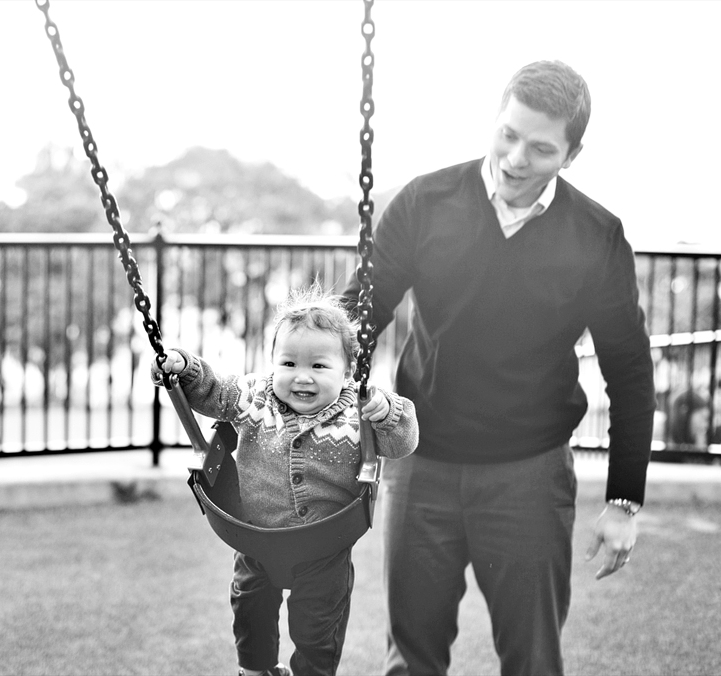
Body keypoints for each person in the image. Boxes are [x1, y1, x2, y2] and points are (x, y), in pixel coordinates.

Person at [342, 60, 656, 676]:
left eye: (541, 148)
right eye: (508, 134)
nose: (516, 157)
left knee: (533, 658)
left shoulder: (597, 235)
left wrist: (624, 499)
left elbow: (630, 372)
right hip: (419, 465)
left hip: (529, 475)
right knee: (411, 659)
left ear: (572, 154)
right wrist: (303, 387)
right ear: (495, 120)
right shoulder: (426, 202)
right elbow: (360, 313)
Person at [151, 285, 419, 676]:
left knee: (316, 631)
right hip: (256, 537)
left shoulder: (358, 410)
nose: (301, 378)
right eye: (289, 363)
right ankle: (257, 670)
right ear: (273, 363)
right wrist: (184, 369)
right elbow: (213, 391)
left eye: (319, 366)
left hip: (324, 547)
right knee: (250, 612)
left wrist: (388, 413)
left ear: (347, 371)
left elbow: (402, 443)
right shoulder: (255, 397)